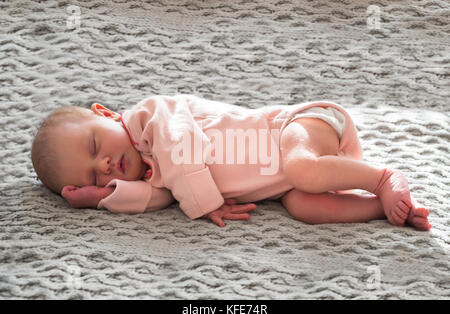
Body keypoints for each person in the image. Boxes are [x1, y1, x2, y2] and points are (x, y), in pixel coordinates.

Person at [31, 94, 430, 230]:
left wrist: (205, 203)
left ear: (105, 113)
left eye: (95, 144)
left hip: (298, 126)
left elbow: (180, 145)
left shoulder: (150, 117)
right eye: (91, 173)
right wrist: (102, 198)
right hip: (290, 181)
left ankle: (382, 178)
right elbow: (153, 200)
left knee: (301, 168)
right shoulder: (158, 180)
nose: (103, 164)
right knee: (306, 205)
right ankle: (384, 208)